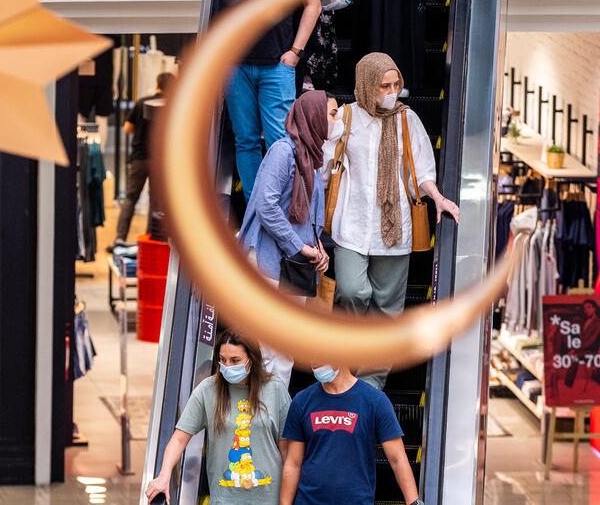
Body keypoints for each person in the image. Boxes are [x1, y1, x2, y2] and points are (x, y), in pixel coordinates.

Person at [322, 52, 460, 390]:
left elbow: (423, 169)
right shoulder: (347, 117)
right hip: (351, 225)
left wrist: (438, 197)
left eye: (396, 84)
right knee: (354, 291)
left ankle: (370, 387)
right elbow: (326, 164)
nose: (392, 91)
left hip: (394, 227)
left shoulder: (407, 119)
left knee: (387, 311)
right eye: (385, 85)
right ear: (367, 85)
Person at [169, 0, 322, 201]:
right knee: (246, 140)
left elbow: (313, 4)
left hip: (276, 64)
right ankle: (256, 210)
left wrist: (295, 52)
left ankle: (279, 210)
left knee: (280, 143)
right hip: (235, 64)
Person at [239, 90, 342, 387]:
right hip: (271, 263)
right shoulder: (284, 152)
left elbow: (310, 217)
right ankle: (272, 426)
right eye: (332, 114)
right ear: (313, 116)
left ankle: (273, 423)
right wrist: (300, 247)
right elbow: (266, 206)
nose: (336, 120)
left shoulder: (312, 156)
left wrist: (318, 249)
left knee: (281, 351)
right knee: (276, 351)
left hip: (292, 266)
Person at [144, 330, 291, 504]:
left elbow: (286, 449)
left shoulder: (274, 389)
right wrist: (164, 475)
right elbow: (179, 439)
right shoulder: (208, 390)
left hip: (270, 498)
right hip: (224, 499)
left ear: (252, 359)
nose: (228, 366)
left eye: (235, 360)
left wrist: (287, 498)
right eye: (223, 360)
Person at [280, 364, 422, 505]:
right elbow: (293, 463)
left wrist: (414, 502)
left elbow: (397, 459)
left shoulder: (375, 400)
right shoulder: (301, 401)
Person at [109, 72, 175, 251]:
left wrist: (141, 133)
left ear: (157, 84)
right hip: (159, 161)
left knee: (130, 198)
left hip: (139, 157)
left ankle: (120, 238)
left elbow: (128, 127)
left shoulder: (141, 102)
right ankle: (149, 239)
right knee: (155, 200)